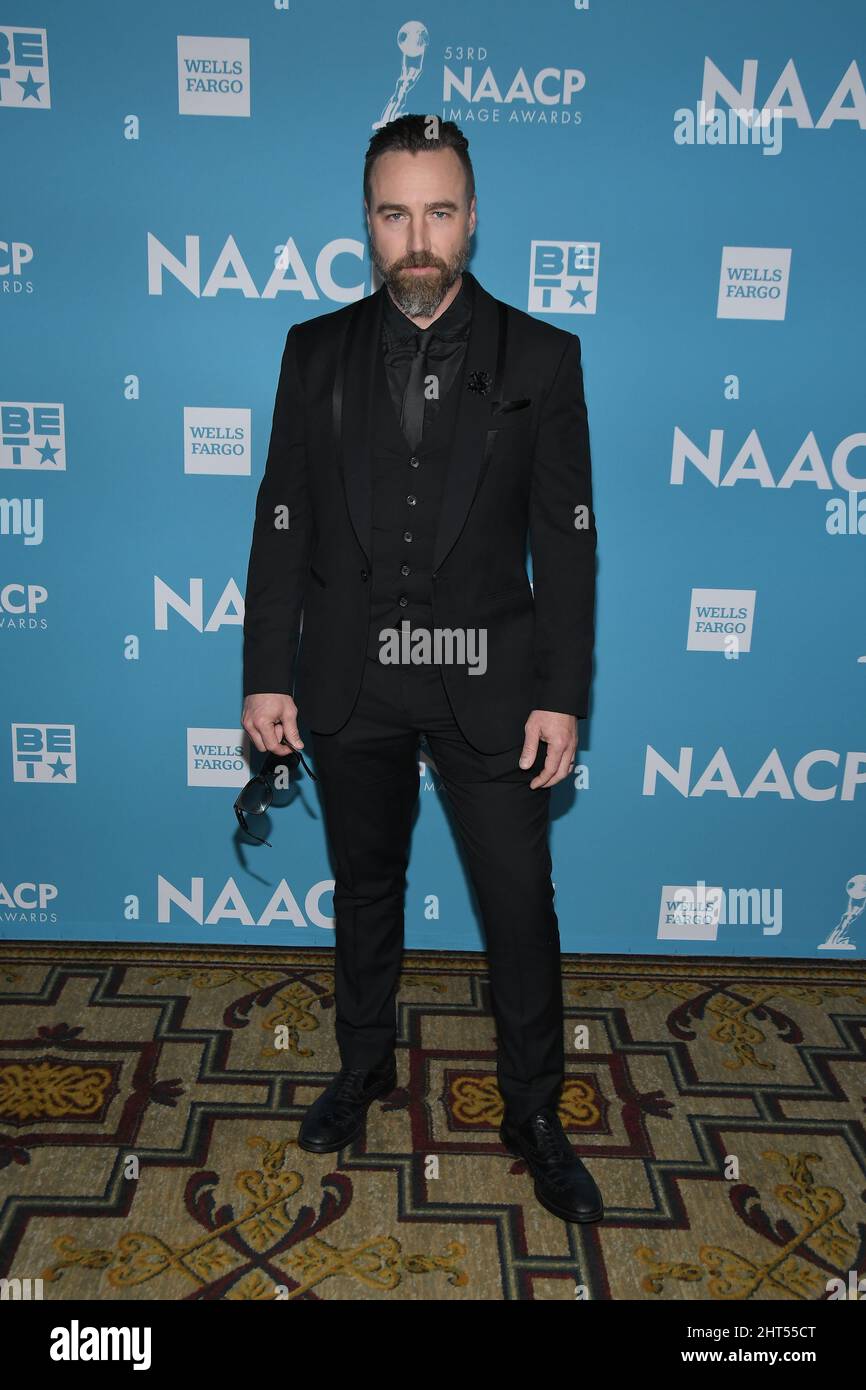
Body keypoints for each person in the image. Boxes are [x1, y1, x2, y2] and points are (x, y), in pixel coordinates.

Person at [241, 114, 600, 1224]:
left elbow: (568, 538)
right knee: (365, 888)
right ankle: (361, 1066)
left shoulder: (541, 357)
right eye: (394, 212)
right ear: (366, 219)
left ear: (472, 216)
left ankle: (534, 1107)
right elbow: (281, 521)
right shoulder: (314, 349)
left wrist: (559, 692)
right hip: (351, 673)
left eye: (438, 210)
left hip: (489, 675)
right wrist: (266, 670)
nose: (417, 236)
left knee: (516, 903)